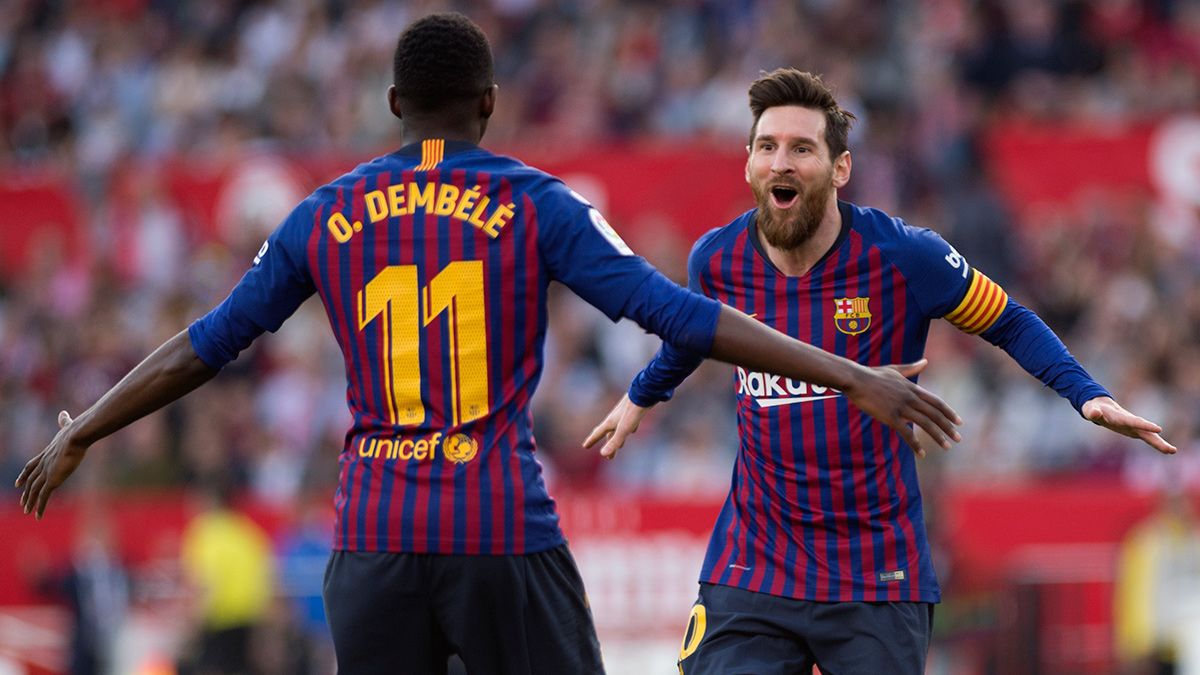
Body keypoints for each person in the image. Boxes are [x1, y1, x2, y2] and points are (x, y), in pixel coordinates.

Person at [15, 16, 962, 675]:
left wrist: (86, 427)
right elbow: (676, 312)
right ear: (490, 102)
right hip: (496, 527)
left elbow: (206, 344)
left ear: (394, 100)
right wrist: (848, 374)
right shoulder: (536, 202)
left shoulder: (327, 214)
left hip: (374, 539)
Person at [585, 68, 1177, 674]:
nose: (780, 163)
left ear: (840, 168)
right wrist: (641, 394)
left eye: (801, 149)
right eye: (767, 147)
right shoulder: (717, 260)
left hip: (876, 574)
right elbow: (696, 334)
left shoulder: (904, 257)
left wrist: (1086, 395)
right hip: (755, 566)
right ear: (747, 164)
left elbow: (1009, 320)